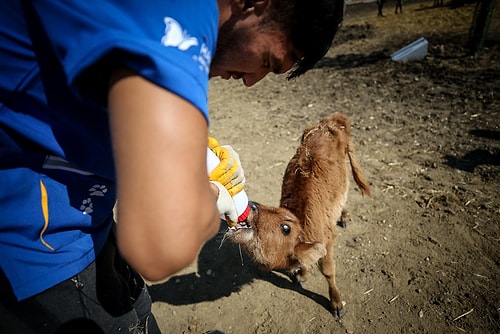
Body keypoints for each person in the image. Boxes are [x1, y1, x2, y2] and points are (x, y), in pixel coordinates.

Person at [0, 0, 345, 333]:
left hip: (89, 210)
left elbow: (116, 111)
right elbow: (158, 250)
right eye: (268, 61)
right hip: (40, 243)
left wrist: (192, 151)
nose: (253, 80)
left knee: (138, 308)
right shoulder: (182, 22)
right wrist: (209, 196)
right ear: (255, 3)